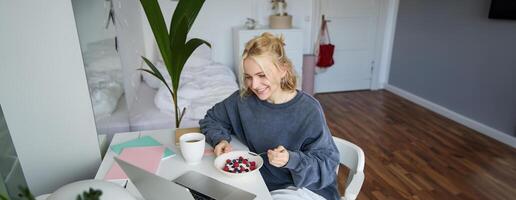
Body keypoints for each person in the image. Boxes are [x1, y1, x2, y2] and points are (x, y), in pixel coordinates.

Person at [199, 32, 340, 200]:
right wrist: (220, 140)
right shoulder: (242, 100)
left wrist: (291, 159)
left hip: (302, 189)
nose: (254, 85)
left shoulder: (308, 109)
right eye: (248, 77)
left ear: (283, 70)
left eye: (261, 75)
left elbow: (327, 165)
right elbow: (212, 119)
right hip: (259, 184)